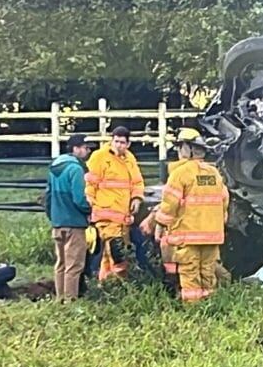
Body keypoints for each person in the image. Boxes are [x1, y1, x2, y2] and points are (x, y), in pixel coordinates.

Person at [151, 127, 229, 301]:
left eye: (180, 146)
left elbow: (169, 204)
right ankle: (210, 308)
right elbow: (224, 201)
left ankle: (193, 312)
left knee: (190, 273)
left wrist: (160, 225)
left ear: (188, 148)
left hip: (188, 236)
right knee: (208, 273)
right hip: (212, 236)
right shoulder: (213, 173)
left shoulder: (180, 173)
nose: (178, 151)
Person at [85, 125, 147, 283]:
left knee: (110, 254)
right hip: (105, 213)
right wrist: (89, 204)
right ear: (111, 141)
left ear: (128, 144)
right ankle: (120, 281)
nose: (118, 145)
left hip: (123, 215)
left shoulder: (129, 158)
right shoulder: (99, 157)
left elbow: (137, 182)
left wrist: (137, 198)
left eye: (122, 142)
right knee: (116, 251)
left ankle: (106, 282)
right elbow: (90, 183)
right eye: (116, 141)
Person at [46, 133, 92, 303]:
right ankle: (71, 301)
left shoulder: (53, 167)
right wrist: (90, 210)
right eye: (85, 148)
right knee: (74, 266)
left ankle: (59, 299)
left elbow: (48, 196)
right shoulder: (76, 169)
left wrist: (53, 217)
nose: (88, 151)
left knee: (61, 264)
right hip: (74, 223)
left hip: (58, 223)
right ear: (76, 149)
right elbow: (79, 199)